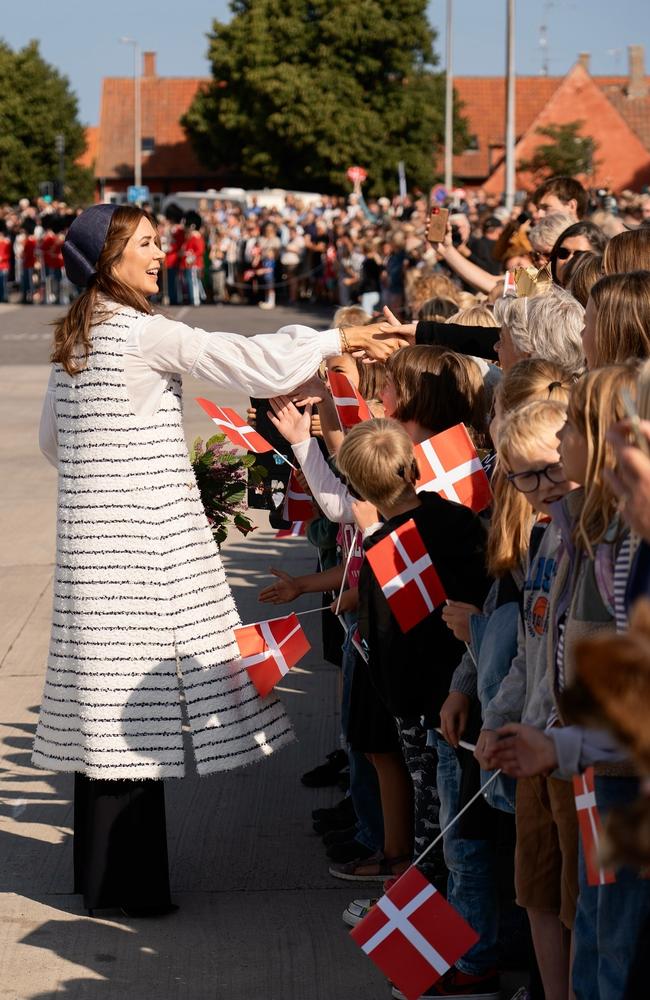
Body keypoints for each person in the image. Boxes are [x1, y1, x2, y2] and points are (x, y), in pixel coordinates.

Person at [34, 203, 405, 917]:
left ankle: (102, 877)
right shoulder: (142, 332)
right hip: (139, 553)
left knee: (103, 704)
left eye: (157, 241)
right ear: (106, 259)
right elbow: (249, 361)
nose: (158, 253)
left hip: (89, 551)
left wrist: (115, 472)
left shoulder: (72, 341)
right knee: (134, 708)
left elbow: (55, 443)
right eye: (143, 244)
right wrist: (337, 334)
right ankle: (131, 887)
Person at [475, 399, 580, 1000]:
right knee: (536, 894)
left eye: (549, 470)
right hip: (530, 748)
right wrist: (497, 718)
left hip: (571, 755)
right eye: (523, 477)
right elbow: (526, 649)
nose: (539, 488)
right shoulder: (543, 543)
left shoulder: (589, 546)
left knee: (575, 904)